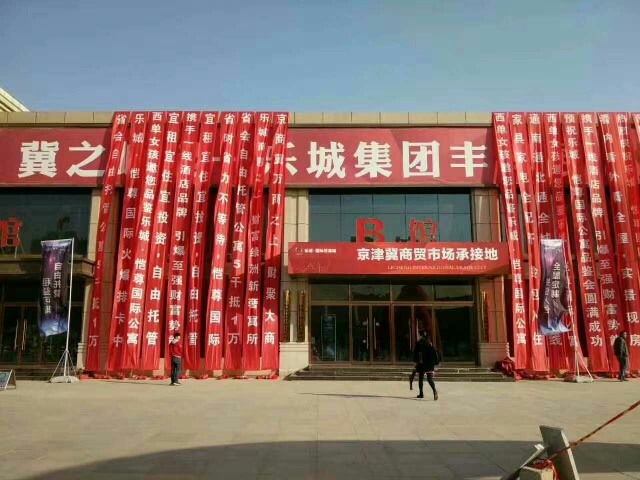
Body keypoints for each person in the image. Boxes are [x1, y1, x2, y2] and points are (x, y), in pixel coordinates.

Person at [412, 331, 439, 400]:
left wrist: (415, 362)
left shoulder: (419, 343)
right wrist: (435, 362)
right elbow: (434, 352)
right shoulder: (429, 343)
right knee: (430, 379)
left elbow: (415, 353)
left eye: (418, 335)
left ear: (420, 335)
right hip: (430, 363)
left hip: (422, 363)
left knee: (420, 378)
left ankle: (421, 393)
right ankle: (434, 390)